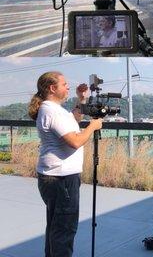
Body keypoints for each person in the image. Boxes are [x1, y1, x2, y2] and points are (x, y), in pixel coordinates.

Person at [28, 71, 102, 257]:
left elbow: (74, 118)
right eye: (64, 84)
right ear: (53, 88)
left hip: (54, 177)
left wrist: (81, 99)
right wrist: (93, 126)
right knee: (64, 231)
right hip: (61, 179)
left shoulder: (53, 109)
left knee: (56, 227)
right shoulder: (52, 111)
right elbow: (75, 141)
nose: (68, 87)